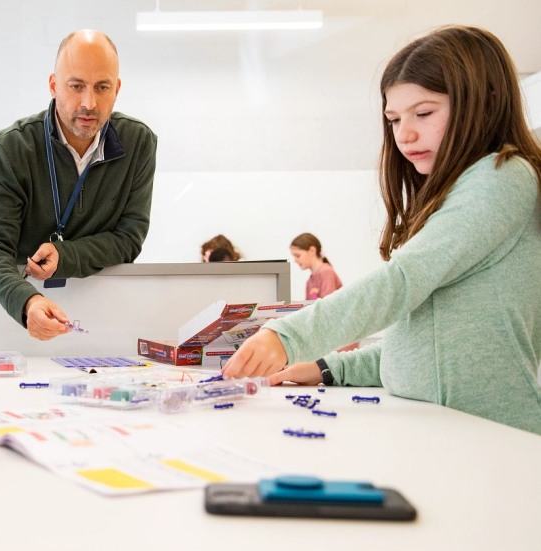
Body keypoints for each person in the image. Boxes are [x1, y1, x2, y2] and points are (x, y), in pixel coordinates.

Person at [223, 26, 541, 434]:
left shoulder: (502, 178)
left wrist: (286, 335)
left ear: (484, 102)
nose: (405, 134)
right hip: (445, 429)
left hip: (491, 437)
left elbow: (401, 280)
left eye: (424, 113)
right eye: (394, 119)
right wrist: (326, 368)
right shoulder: (464, 190)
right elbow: (423, 347)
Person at [0, 29, 158, 340]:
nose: (89, 103)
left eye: (102, 87)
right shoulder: (11, 148)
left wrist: (65, 256)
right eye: (76, 86)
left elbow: (129, 238)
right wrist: (27, 300)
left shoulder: (138, 143)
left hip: (105, 318)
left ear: (117, 89)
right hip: (19, 318)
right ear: (54, 85)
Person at [289, 233, 341, 299]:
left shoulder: (326, 272)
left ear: (312, 250)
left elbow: (328, 306)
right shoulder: (309, 282)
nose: (295, 260)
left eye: (298, 256)